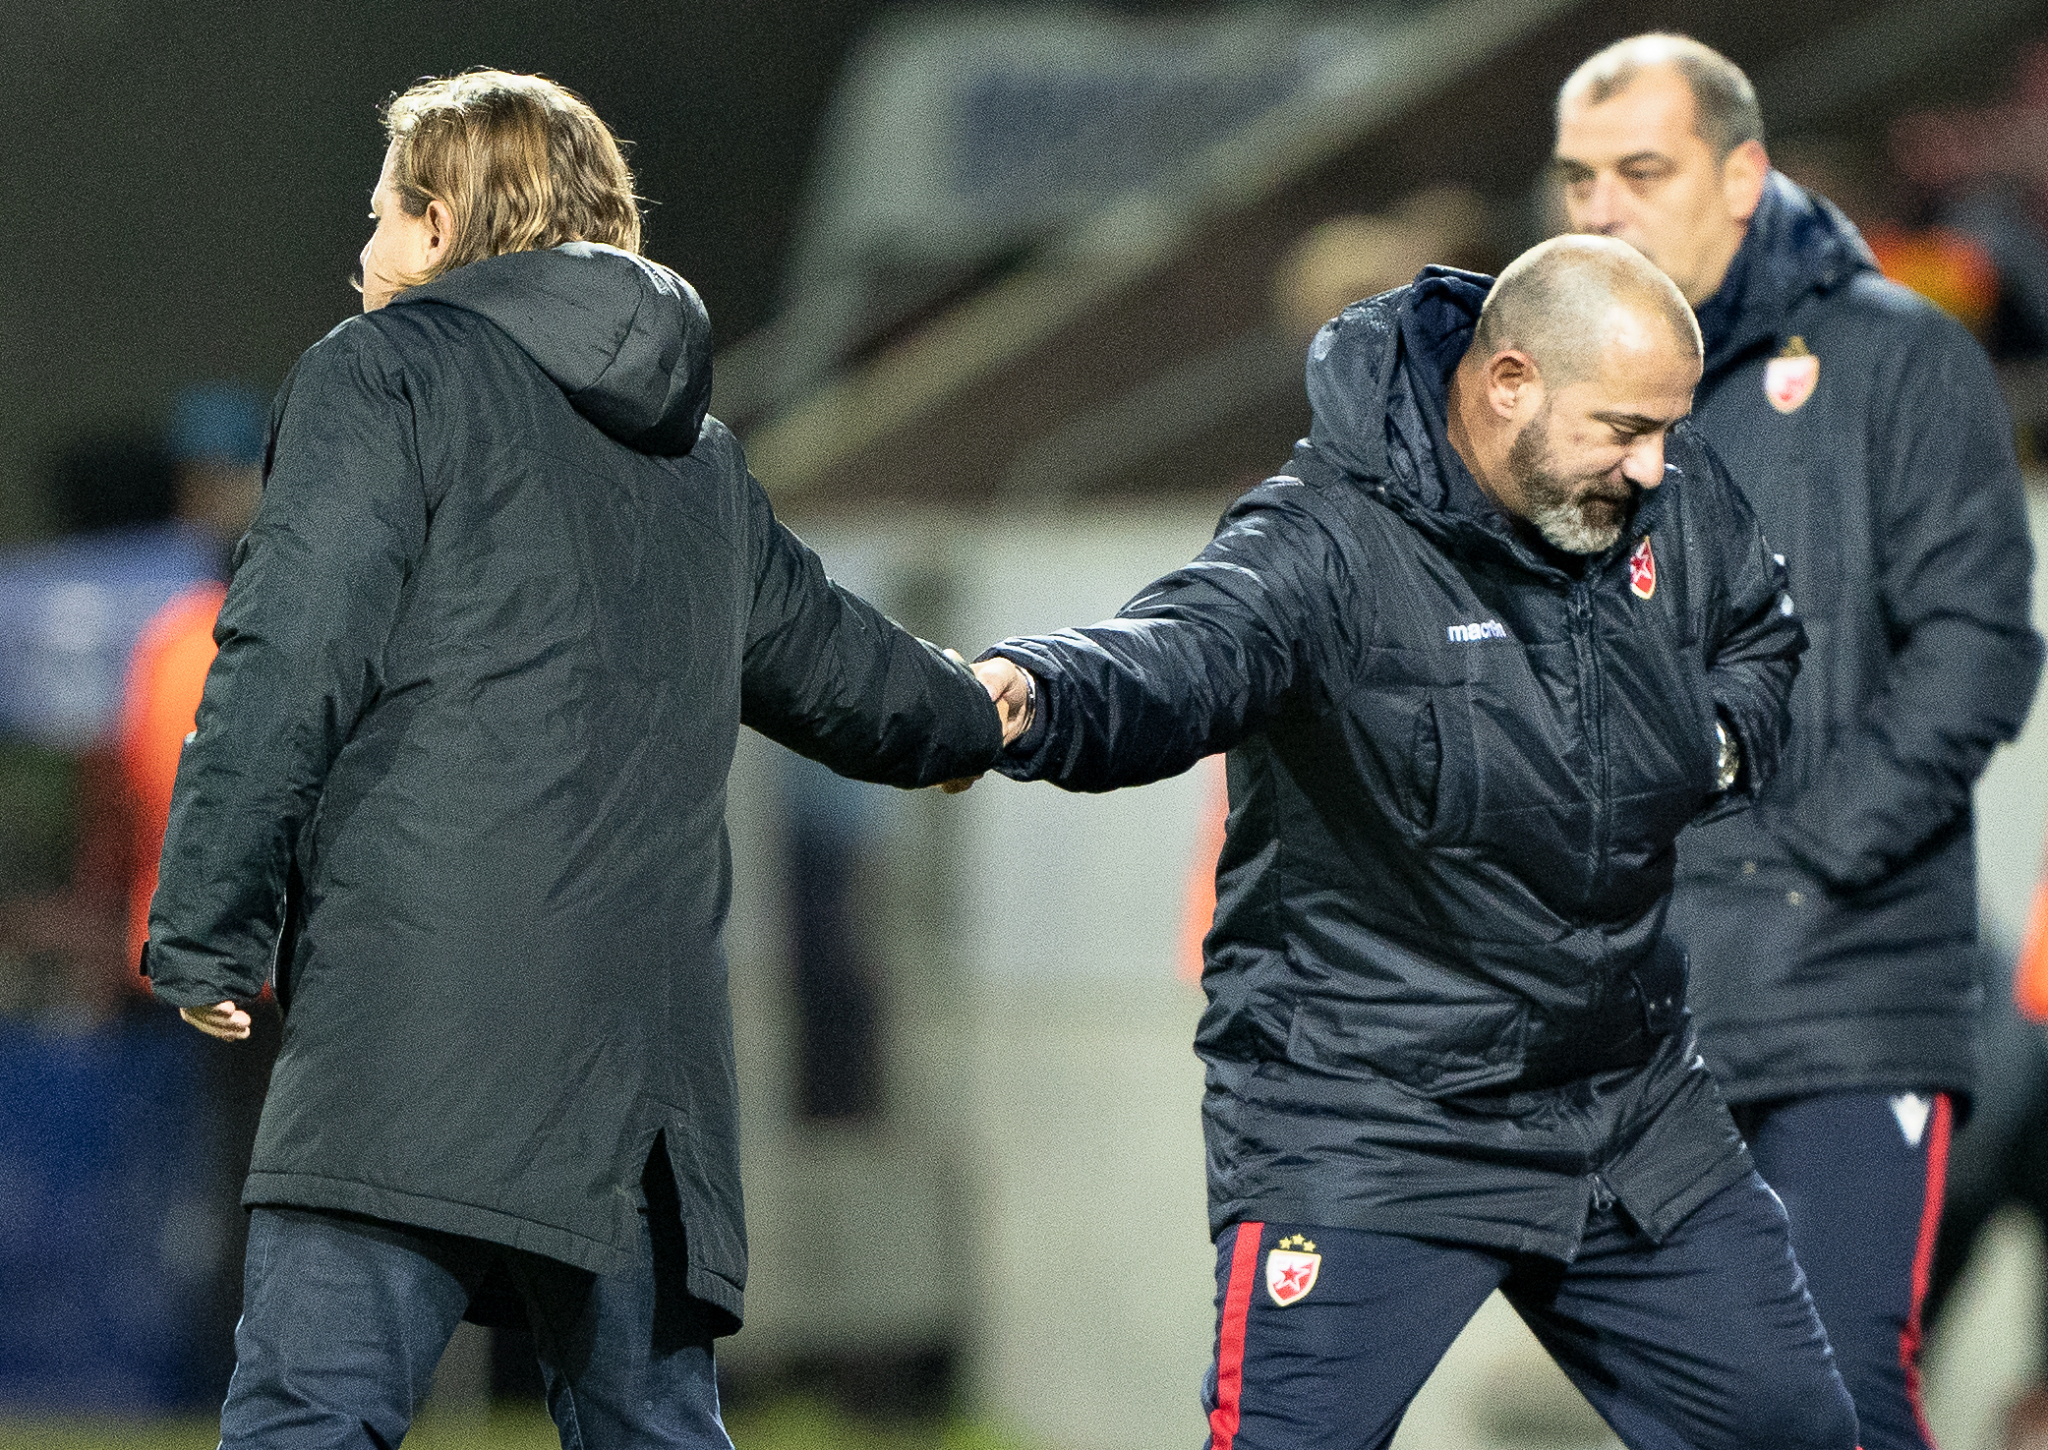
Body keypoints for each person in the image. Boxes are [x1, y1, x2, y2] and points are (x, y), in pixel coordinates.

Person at [141, 70, 1009, 1450]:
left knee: (313, 1414)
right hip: (646, 1067)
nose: (362, 253)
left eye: (380, 215)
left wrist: (203, 920)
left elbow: (286, 655)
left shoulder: (383, 369)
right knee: (651, 1428)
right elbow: (847, 669)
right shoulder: (698, 453)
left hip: (422, 1020)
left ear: (439, 225)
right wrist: (989, 713)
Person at [972, 234, 1845, 1449]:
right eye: (1621, 429)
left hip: (1625, 1103)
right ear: (1507, 385)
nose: (1656, 466)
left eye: (1666, 428)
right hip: (1370, 1112)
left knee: (1792, 1428)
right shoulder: (1320, 542)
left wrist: (1709, 752)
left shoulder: (1664, 489)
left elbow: (1759, 630)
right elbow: (1173, 656)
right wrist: (1025, 691)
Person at [1553, 35, 2043, 1450]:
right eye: (1580, 176)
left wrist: (1814, 853)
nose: (1604, 208)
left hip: (1847, 990)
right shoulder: (1549, 390)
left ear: (1744, 173)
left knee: (1836, 1389)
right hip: (1634, 1005)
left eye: (1642, 171)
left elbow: (1978, 649)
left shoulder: (1900, 357)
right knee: (1707, 1411)